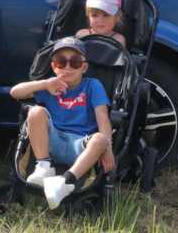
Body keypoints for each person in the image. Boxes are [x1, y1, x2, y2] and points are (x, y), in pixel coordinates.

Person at [10, 36, 114, 209]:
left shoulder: (93, 86)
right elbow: (15, 92)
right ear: (54, 66)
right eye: (61, 62)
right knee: (35, 111)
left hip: (81, 145)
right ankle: (44, 166)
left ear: (84, 67)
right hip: (54, 142)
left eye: (75, 62)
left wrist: (108, 149)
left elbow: (103, 117)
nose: (67, 67)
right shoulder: (50, 85)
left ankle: (65, 181)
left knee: (101, 139)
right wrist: (44, 84)